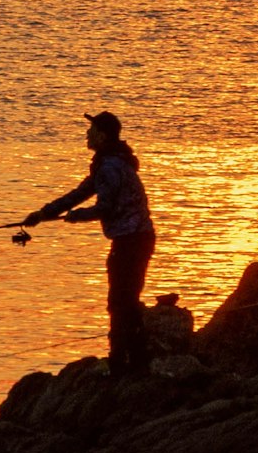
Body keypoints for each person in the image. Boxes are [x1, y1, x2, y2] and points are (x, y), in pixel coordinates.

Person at [19, 111, 157, 369]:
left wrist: (76, 217)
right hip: (137, 238)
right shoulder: (112, 162)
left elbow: (106, 208)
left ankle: (122, 363)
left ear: (102, 136)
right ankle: (136, 358)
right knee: (125, 298)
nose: (86, 134)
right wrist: (43, 214)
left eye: (91, 130)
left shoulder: (109, 167)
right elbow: (80, 193)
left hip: (132, 241)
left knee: (120, 300)